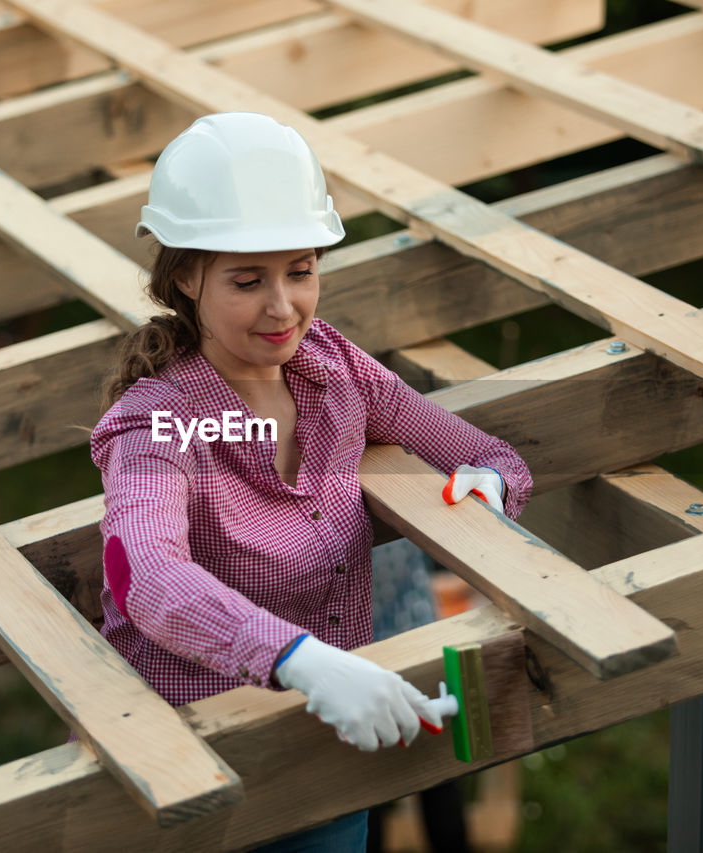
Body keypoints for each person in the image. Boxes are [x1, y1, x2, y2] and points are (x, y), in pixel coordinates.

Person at [88, 112, 532, 851]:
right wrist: (299, 658)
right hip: (194, 781)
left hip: (325, 766)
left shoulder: (333, 371)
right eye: (247, 279)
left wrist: (486, 498)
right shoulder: (160, 423)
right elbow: (150, 577)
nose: (282, 306)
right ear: (187, 276)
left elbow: (492, 456)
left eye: (301, 270)